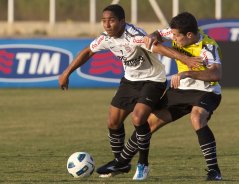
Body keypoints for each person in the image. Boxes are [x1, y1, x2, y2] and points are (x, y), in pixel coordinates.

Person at [59, 5, 201, 181]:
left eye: (111, 20)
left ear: (122, 21)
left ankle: (143, 165)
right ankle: (121, 163)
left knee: (138, 118)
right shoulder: (106, 38)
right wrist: (66, 73)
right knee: (112, 121)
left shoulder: (133, 35)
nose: (107, 25)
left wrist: (184, 58)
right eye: (104, 21)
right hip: (130, 81)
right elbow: (88, 51)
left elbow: (157, 47)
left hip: (152, 81)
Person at [99, 12, 223, 181]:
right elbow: (158, 34)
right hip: (181, 90)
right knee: (148, 124)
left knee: (196, 118)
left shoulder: (208, 46)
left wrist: (188, 73)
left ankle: (214, 171)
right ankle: (122, 162)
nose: (173, 38)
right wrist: (152, 35)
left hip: (207, 91)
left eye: (176, 36)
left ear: (189, 35)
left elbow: (216, 74)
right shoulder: (176, 32)